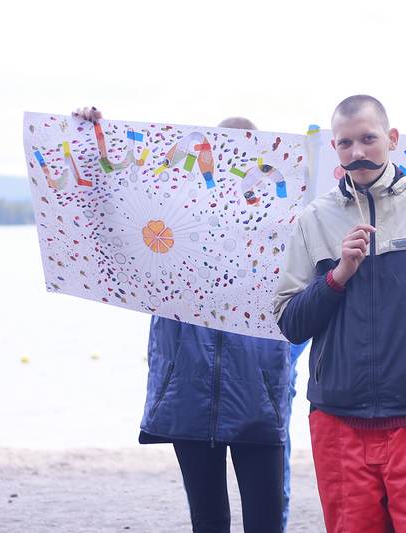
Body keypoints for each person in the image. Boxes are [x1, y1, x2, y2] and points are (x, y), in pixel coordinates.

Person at [72, 106, 307, 533]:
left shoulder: (281, 228)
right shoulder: (166, 225)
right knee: (208, 520)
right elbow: (108, 216)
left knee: (266, 519)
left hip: (258, 393)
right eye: (218, 156)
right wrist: (92, 141)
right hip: (188, 394)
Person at [273, 95, 406, 532]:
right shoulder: (314, 219)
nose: (358, 153)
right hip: (338, 423)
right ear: (335, 148)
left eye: (368, 139)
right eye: (346, 143)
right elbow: (291, 323)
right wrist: (338, 275)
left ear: (391, 139)